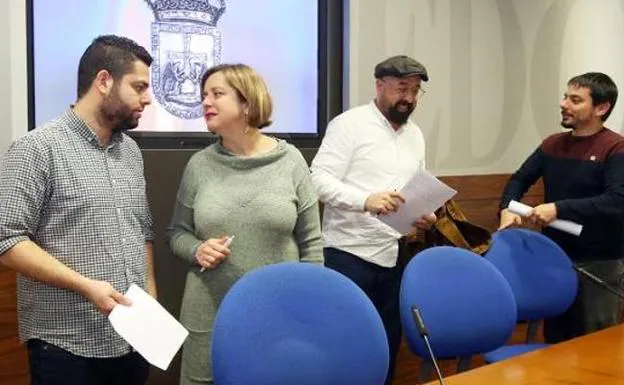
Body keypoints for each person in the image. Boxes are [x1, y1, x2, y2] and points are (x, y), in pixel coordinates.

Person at [0, 35, 155, 385]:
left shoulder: (130, 152)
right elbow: (7, 240)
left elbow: (143, 232)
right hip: (65, 346)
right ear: (104, 81)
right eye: (139, 86)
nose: (147, 98)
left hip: (131, 343)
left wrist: (151, 303)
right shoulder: (36, 148)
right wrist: (85, 286)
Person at [167, 63, 323, 385]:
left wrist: (310, 302)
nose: (205, 102)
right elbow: (176, 233)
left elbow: (311, 244)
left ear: (247, 102)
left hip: (279, 309)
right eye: (204, 95)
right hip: (209, 311)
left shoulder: (291, 161)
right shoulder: (199, 165)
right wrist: (197, 249)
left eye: (217, 94)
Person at [310, 55, 437, 384]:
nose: (408, 98)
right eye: (401, 89)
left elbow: (416, 186)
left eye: (415, 91)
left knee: (387, 345)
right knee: (345, 346)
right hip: (349, 255)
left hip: (396, 255)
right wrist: (364, 200)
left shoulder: (416, 135)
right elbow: (317, 180)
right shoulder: (348, 125)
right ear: (380, 86)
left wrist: (423, 215)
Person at [499, 72, 624, 343]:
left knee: (596, 342)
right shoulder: (553, 144)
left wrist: (558, 209)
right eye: (565, 96)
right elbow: (519, 179)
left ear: (601, 108)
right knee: (556, 340)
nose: (564, 103)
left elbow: (617, 201)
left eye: (575, 100)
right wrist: (506, 209)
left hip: (599, 263)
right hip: (555, 257)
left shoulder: (615, 147)